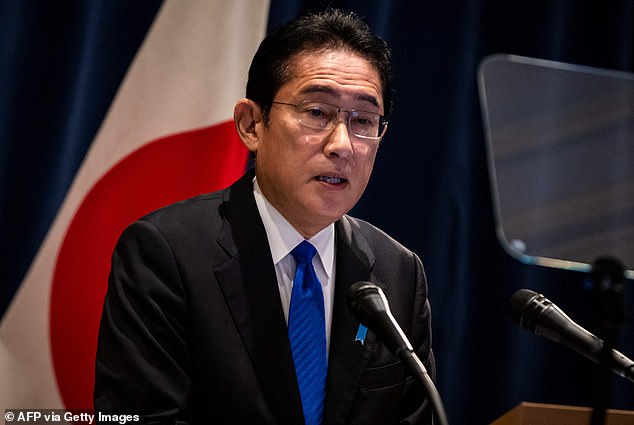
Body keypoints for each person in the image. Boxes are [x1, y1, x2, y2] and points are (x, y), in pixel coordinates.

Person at [94, 8, 435, 425]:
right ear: (252, 124)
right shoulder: (165, 255)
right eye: (317, 112)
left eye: (363, 120)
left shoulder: (398, 273)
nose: (342, 145)